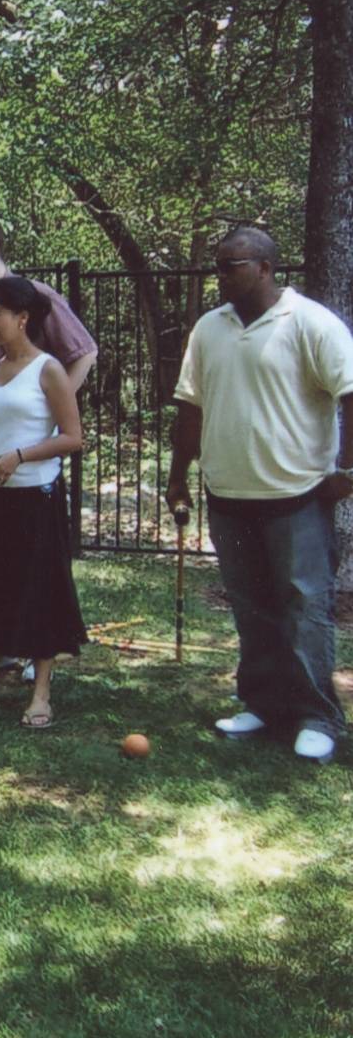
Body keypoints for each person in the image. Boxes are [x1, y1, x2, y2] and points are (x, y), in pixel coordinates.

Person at [165, 227, 353, 765]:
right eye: (217, 266)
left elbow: (349, 394)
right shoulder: (209, 328)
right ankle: (263, 703)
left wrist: (348, 471)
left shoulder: (311, 323)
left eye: (231, 265)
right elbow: (190, 406)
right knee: (251, 606)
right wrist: (180, 474)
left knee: (303, 605)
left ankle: (317, 715)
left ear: (267, 267)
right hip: (228, 492)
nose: (220, 276)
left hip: (295, 493)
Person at [0, 214, 96, 676]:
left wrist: (50, 413)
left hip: (25, 460)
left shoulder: (37, 298)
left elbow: (83, 351)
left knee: (31, 559)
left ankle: (32, 648)